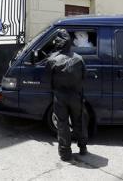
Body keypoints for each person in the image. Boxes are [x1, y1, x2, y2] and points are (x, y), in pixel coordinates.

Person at [44, 29, 88, 161]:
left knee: (62, 124)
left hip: (60, 97)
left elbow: (48, 79)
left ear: (58, 43)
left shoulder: (52, 60)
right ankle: (83, 148)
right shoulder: (79, 59)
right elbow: (83, 77)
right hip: (76, 96)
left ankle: (65, 153)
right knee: (79, 122)